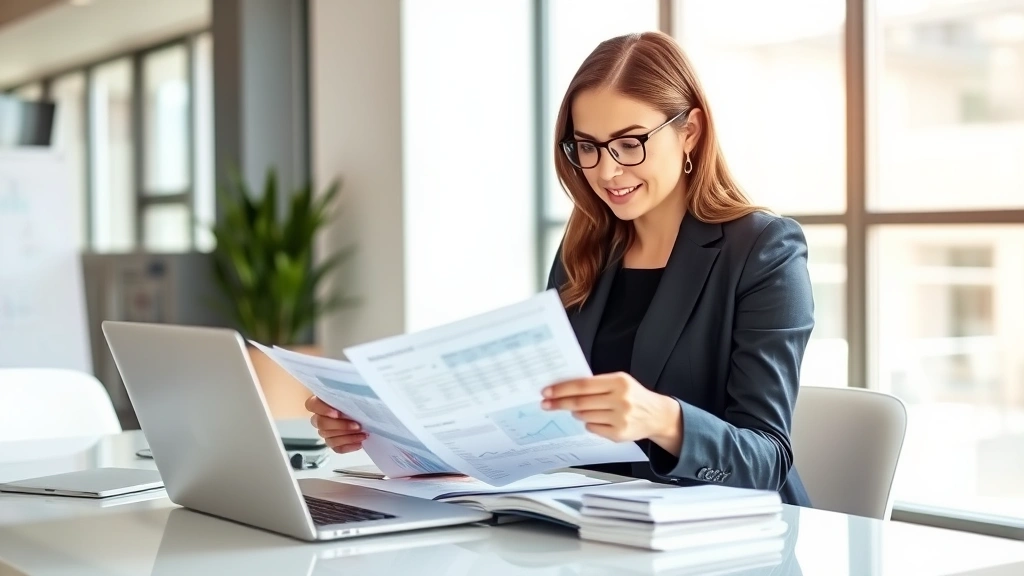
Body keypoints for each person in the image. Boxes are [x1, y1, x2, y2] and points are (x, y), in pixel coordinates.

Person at [306, 30, 814, 506]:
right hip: (595, 522)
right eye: (587, 146)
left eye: (630, 142)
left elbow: (766, 460)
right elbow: (541, 427)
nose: (606, 170)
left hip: (731, 540)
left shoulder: (764, 250)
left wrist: (664, 419)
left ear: (691, 132)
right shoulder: (586, 250)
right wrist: (390, 430)